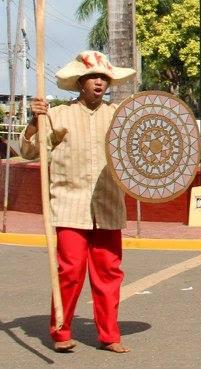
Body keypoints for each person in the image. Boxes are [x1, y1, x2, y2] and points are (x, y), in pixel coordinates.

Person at [21, 51, 136, 353]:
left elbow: (139, 154)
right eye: (93, 77)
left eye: (104, 78)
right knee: (70, 271)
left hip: (108, 204)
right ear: (81, 83)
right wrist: (35, 120)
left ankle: (109, 335)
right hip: (69, 204)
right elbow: (30, 151)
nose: (99, 83)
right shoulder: (58, 115)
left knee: (109, 272)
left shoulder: (119, 115)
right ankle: (61, 331)